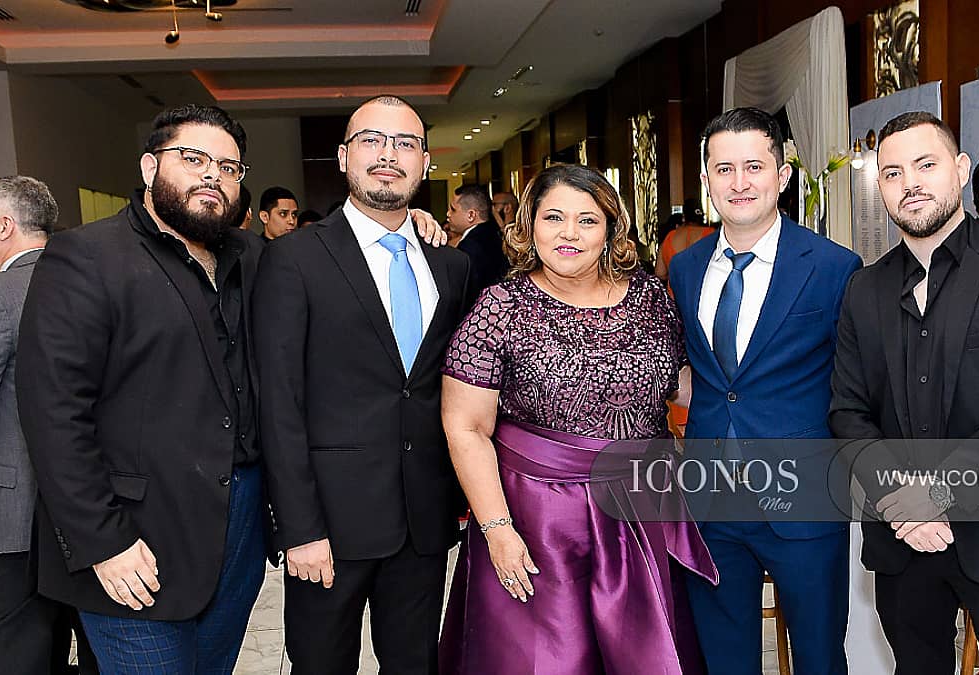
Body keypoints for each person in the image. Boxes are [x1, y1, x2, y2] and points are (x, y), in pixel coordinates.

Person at [16, 104, 271, 673]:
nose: (212, 174)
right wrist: (101, 540)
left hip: (240, 525)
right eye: (194, 158)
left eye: (229, 167)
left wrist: (413, 229)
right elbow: (53, 412)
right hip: (135, 535)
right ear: (151, 166)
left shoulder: (252, 257)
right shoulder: (84, 257)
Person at [438, 163, 716, 674]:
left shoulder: (651, 299)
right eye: (554, 218)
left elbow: (684, 388)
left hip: (642, 509)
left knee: (647, 655)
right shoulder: (501, 307)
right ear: (529, 225)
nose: (569, 233)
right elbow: (465, 426)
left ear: (611, 229)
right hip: (538, 520)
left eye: (587, 220)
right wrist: (498, 530)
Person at [829, 111, 979, 674]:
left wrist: (939, 492)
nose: (910, 182)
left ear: (961, 171)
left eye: (926, 164)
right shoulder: (863, 290)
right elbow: (848, 413)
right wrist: (904, 504)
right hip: (901, 537)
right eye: (892, 173)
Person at [254, 94, 470, 674]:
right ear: (344, 157)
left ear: (425, 164)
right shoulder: (296, 258)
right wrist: (298, 528)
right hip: (329, 526)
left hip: (422, 523)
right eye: (373, 141)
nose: (388, 155)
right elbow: (278, 402)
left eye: (405, 144)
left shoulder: (449, 266)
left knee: (416, 664)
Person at [669, 107, 861, 674]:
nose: (739, 182)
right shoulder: (684, 268)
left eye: (754, 166)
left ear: (782, 175)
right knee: (725, 656)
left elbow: (853, 384)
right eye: (723, 169)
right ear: (707, 182)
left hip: (803, 500)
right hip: (710, 497)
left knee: (819, 656)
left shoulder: (833, 266)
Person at [0, 176, 89, 674]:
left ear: (6, 226)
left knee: (10, 644)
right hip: (87, 509)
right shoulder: (88, 281)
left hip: (12, 513)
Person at [447, 185, 509, 292]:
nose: (448, 214)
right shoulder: (494, 235)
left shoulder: (470, 247)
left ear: (471, 215)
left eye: (453, 210)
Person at [655, 202, 714, 283]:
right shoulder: (711, 234)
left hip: (675, 293)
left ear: (684, 217)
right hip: (704, 292)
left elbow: (660, 273)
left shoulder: (670, 236)